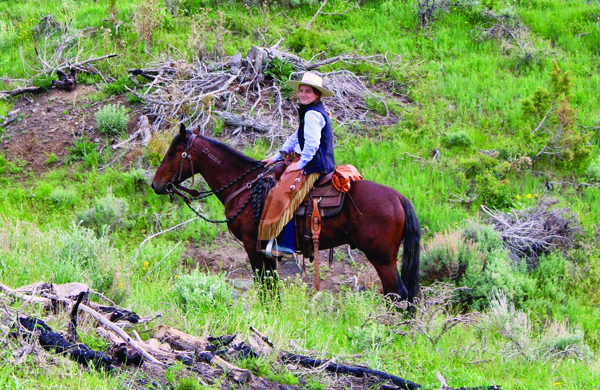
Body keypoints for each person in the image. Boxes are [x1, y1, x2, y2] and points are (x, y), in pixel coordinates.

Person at [258, 72, 335, 258]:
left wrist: (300, 164)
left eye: (308, 91)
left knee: (283, 194)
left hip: (315, 165)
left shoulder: (312, 114)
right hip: (311, 160)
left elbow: (312, 145)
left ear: (317, 94)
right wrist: (277, 157)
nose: (303, 94)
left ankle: (285, 245)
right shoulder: (310, 111)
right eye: (301, 91)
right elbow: (295, 138)